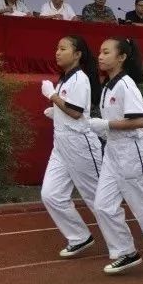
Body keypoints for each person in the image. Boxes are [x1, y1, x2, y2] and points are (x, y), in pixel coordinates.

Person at [88, 37, 143, 276]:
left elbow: (140, 120)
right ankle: (126, 250)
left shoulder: (126, 85)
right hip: (113, 151)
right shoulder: (108, 85)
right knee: (103, 205)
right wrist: (103, 127)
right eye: (100, 52)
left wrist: (106, 124)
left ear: (122, 57)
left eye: (106, 52)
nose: (100, 56)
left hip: (131, 151)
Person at [38, 35, 106, 259]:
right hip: (62, 143)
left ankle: (125, 244)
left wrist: (52, 97)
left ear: (77, 55)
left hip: (80, 144)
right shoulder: (65, 78)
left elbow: (76, 112)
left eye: (63, 48)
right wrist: (56, 113)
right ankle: (79, 236)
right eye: (57, 48)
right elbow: (70, 111)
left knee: (97, 198)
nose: (57, 52)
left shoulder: (80, 78)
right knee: (51, 194)